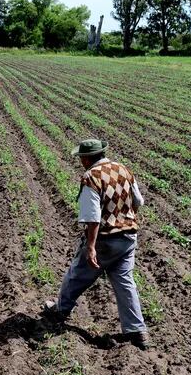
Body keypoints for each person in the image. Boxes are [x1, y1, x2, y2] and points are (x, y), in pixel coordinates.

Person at [43, 139, 150, 349]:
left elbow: (92, 217)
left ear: (87, 158)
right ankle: (138, 331)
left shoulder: (91, 177)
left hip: (104, 240)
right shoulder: (123, 170)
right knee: (125, 282)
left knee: (77, 274)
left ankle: (61, 310)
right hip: (128, 238)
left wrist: (91, 246)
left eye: (81, 157)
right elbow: (138, 202)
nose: (80, 161)